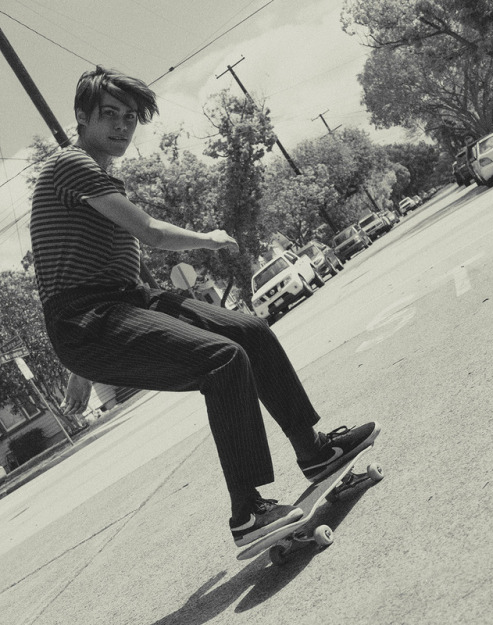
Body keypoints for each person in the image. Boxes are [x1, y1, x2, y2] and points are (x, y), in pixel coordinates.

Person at [30, 66, 380, 548]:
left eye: (131, 118)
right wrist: (208, 239)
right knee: (222, 360)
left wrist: (81, 369)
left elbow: (83, 265)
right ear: (81, 117)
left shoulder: (98, 180)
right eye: (109, 115)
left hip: (118, 307)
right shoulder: (73, 165)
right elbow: (150, 233)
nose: (122, 126)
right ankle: (248, 511)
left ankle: (313, 449)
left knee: (250, 331)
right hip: (86, 321)